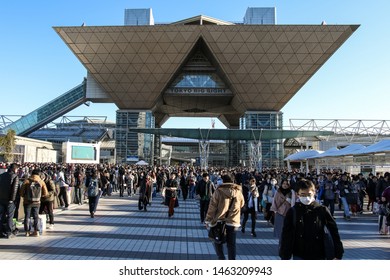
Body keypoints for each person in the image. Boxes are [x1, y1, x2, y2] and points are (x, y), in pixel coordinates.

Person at [279, 179, 344, 260]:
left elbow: (333, 231)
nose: (306, 197)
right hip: (299, 253)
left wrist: (338, 253)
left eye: (309, 194)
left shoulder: (322, 210)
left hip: (319, 253)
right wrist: (285, 254)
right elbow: (286, 233)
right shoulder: (293, 211)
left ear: (314, 193)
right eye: (303, 194)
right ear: (297, 194)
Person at [205, 173, 244, 260]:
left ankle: (221, 259)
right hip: (233, 222)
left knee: (218, 241)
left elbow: (212, 207)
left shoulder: (218, 191)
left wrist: (208, 220)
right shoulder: (238, 192)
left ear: (223, 181)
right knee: (231, 244)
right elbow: (242, 204)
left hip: (220, 220)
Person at [20, 169, 48, 237]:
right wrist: (40, 196)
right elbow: (46, 193)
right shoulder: (41, 182)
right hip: (37, 202)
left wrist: (24, 196)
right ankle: (36, 231)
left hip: (27, 202)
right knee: (36, 216)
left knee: (27, 216)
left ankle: (27, 231)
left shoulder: (27, 181)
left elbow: (21, 192)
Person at [0, 163, 19, 238]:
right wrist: (12, 199)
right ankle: (9, 232)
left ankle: (1, 231)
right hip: (9, 200)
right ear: (15, 169)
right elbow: (14, 189)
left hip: (1, 199)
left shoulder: (2, 175)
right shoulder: (15, 177)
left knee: (1, 215)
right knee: (10, 216)